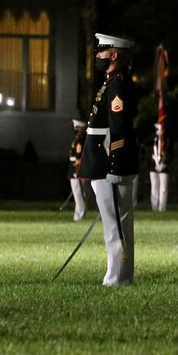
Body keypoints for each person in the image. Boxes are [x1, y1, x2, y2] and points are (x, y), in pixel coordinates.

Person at [77, 33, 139, 286]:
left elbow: (120, 126)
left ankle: (118, 277)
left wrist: (114, 164)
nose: (98, 55)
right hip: (101, 159)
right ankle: (119, 274)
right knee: (113, 221)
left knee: (116, 223)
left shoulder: (117, 83)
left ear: (115, 54)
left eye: (102, 51)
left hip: (110, 161)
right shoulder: (110, 81)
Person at [67, 119, 91, 221]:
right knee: (79, 193)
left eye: (76, 127)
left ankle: (80, 214)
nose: (75, 129)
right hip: (74, 169)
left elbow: (78, 158)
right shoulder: (78, 140)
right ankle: (80, 213)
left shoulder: (80, 140)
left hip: (76, 170)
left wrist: (77, 171)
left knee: (79, 193)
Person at [149, 122, 169, 212]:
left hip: (164, 167)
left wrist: (163, 164)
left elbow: (170, 154)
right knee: (154, 187)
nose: (159, 131)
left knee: (163, 189)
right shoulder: (152, 140)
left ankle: (162, 207)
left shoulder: (166, 141)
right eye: (158, 130)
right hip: (153, 166)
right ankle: (154, 207)